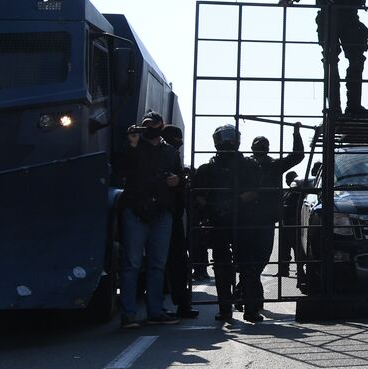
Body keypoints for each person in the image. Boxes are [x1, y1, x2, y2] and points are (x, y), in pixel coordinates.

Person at [112, 115, 184, 328]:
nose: (149, 128)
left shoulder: (170, 151)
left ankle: (155, 311)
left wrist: (177, 180)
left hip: (161, 212)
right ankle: (129, 315)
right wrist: (132, 145)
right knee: (131, 264)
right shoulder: (133, 148)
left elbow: (181, 177)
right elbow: (119, 170)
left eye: (153, 125)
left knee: (157, 266)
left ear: (161, 127)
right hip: (136, 211)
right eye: (146, 126)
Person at [192, 124, 264, 323]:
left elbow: (254, 192)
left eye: (232, 138)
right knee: (222, 266)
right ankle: (227, 309)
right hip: (219, 222)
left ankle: (249, 308)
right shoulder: (208, 169)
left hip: (242, 220)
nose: (229, 141)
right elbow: (197, 195)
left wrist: (234, 203)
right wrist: (213, 207)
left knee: (247, 266)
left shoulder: (247, 165)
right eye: (226, 138)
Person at [248, 126, 305, 314]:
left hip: (260, 218)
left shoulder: (271, 166)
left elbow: (297, 156)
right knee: (254, 260)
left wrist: (296, 134)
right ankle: (249, 295)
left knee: (255, 260)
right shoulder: (251, 166)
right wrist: (296, 133)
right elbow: (298, 155)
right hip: (255, 218)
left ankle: (248, 293)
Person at [159, 124, 198, 318]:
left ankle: (179, 303)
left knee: (173, 262)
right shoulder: (165, 154)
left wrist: (181, 180)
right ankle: (179, 304)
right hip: (162, 213)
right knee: (173, 262)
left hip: (169, 214)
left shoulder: (171, 155)